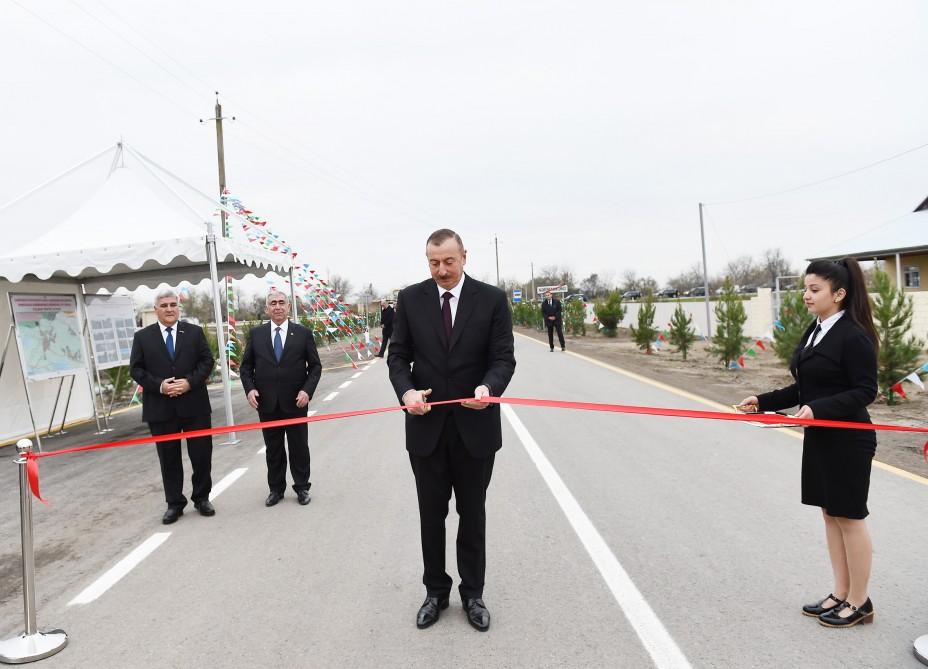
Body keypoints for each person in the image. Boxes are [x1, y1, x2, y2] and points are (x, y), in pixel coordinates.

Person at [737, 258, 878, 628]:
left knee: (850, 517)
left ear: (840, 294)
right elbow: (805, 387)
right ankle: (841, 592)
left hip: (849, 439)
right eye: (806, 288)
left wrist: (818, 408)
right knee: (830, 515)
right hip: (821, 437)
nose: (806, 295)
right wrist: (763, 401)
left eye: (815, 289)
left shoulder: (853, 334)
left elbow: (866, 390)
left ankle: (860, 602)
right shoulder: (815, 330)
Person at [387, 229, 516, 632]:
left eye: (448, 261)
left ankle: (473, 594)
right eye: (433, 262)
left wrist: (489, 388)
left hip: (475, 429)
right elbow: (398, 356)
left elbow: (503, 358)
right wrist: (406, 392)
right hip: (426, 428)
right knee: (431, 515)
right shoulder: (410, 299)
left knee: (472, 514)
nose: (441, 270)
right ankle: (435, 592)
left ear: (464, 257)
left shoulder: (491, 300)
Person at [130, 288, 216, 524]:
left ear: (179, 308)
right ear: (156, 310)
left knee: (201, 456)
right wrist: (160, 386)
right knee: (168, 459)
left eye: (173, 305)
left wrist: (189, 382)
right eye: (164, 305)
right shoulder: (143, 337)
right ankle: (174, 503)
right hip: (161, 408)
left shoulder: (195, 333)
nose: (169, 309)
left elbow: (207, 361)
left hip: (194, 406)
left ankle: (202, 498)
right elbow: (136, 370)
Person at [240, 290, 322, 507]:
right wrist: (249, 389)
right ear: (267, 308)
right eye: (272, 303)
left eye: (281, 303)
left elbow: (315, 367)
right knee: (273, 449)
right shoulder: (256, 335)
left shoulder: (302, 334)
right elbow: (246, 367)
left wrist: (307, 390)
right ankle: (276, 489)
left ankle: (302, 487)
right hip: (267, 403)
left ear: (288, 307)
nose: (277, 306)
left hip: (296, 401)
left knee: (299, 447)